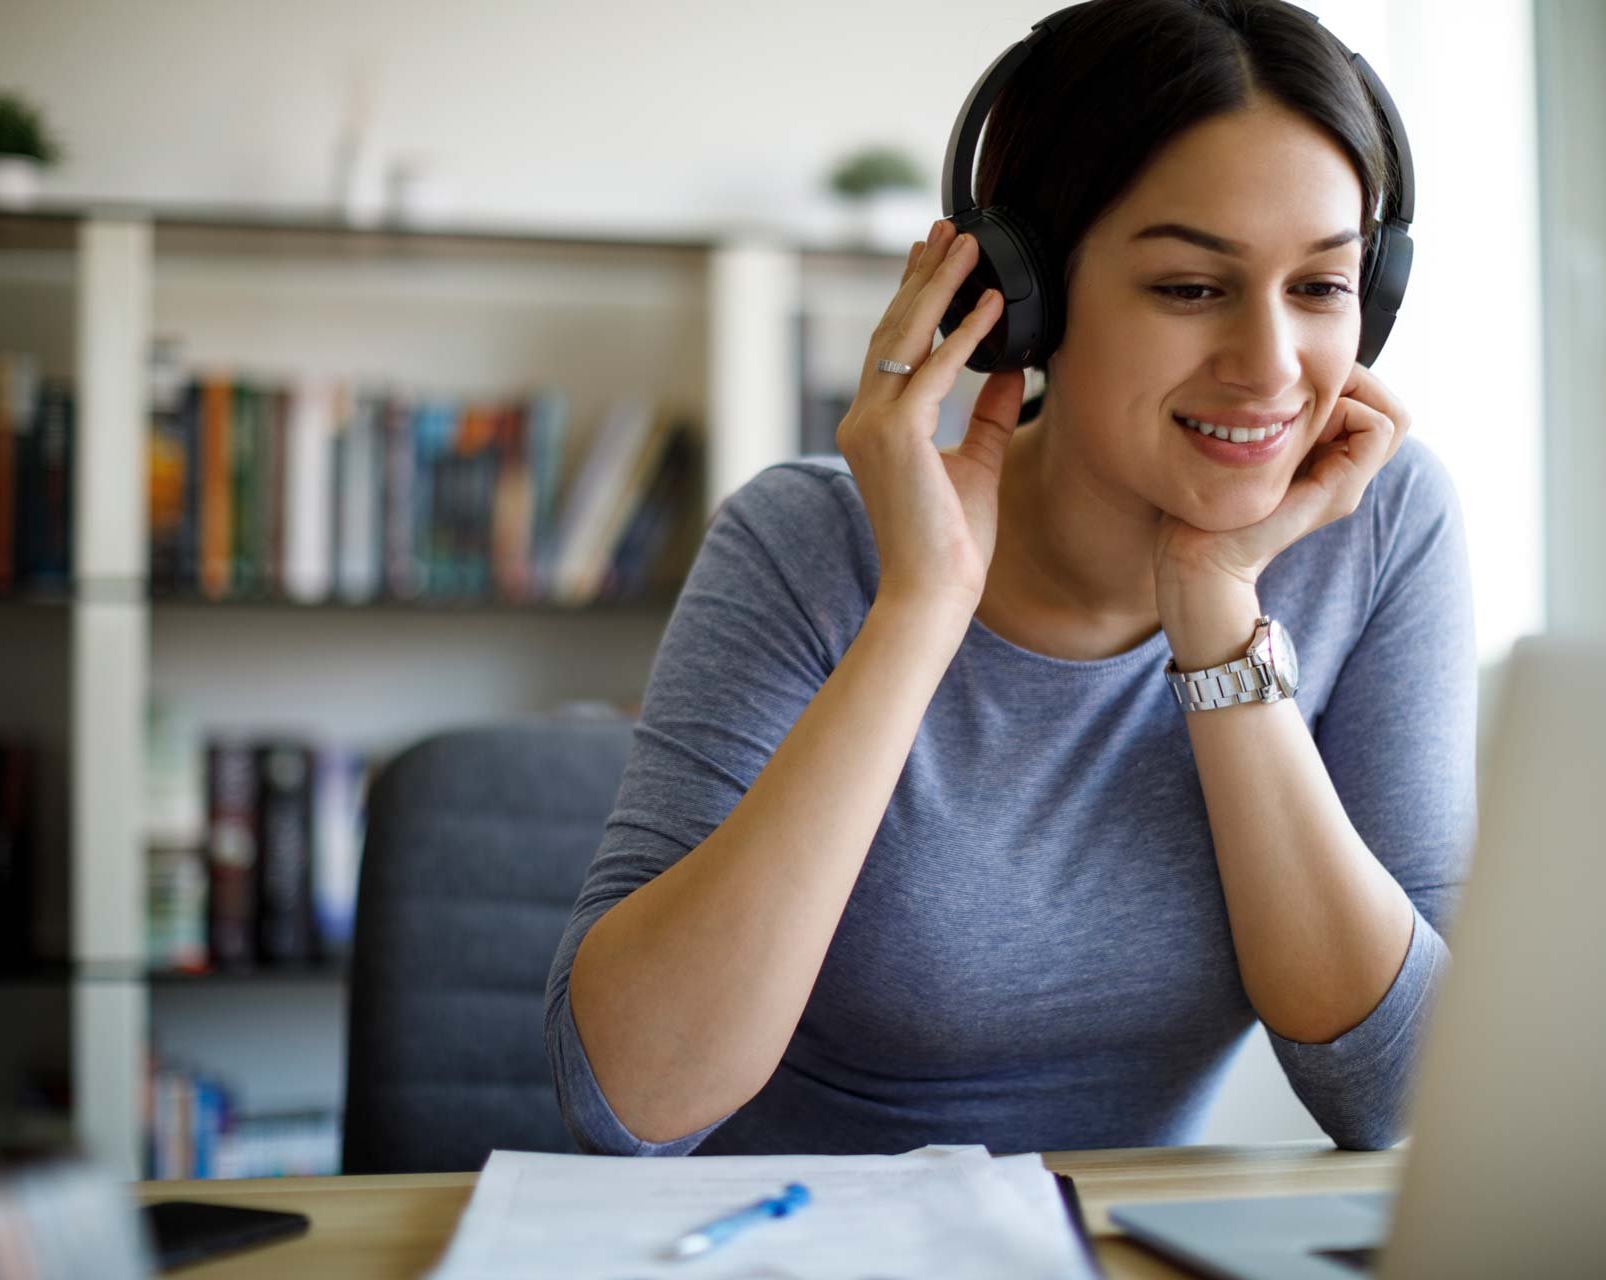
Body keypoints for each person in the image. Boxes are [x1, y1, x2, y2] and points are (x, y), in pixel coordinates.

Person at [544, 0, 1476, 1157]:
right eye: (1191, 287)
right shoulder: (804, 543)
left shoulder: (1379, 525)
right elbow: (628, 1098)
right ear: (1024, 297)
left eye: (1322, 288)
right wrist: (922, 608)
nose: (1272, 368)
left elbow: (1401, 1099)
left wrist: (1218, 615)